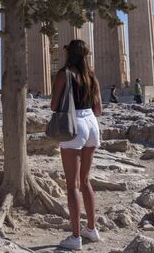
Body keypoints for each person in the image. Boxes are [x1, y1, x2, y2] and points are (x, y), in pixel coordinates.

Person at [51, 40, 103, 251]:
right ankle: (92, 229)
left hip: (74, 125)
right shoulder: (91, 76)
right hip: (92, 123)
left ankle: (75, 237)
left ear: (67, 52)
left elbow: (54, 105)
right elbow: (99, 108)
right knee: (85, 180)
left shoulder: (65, 73)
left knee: (72, 185)